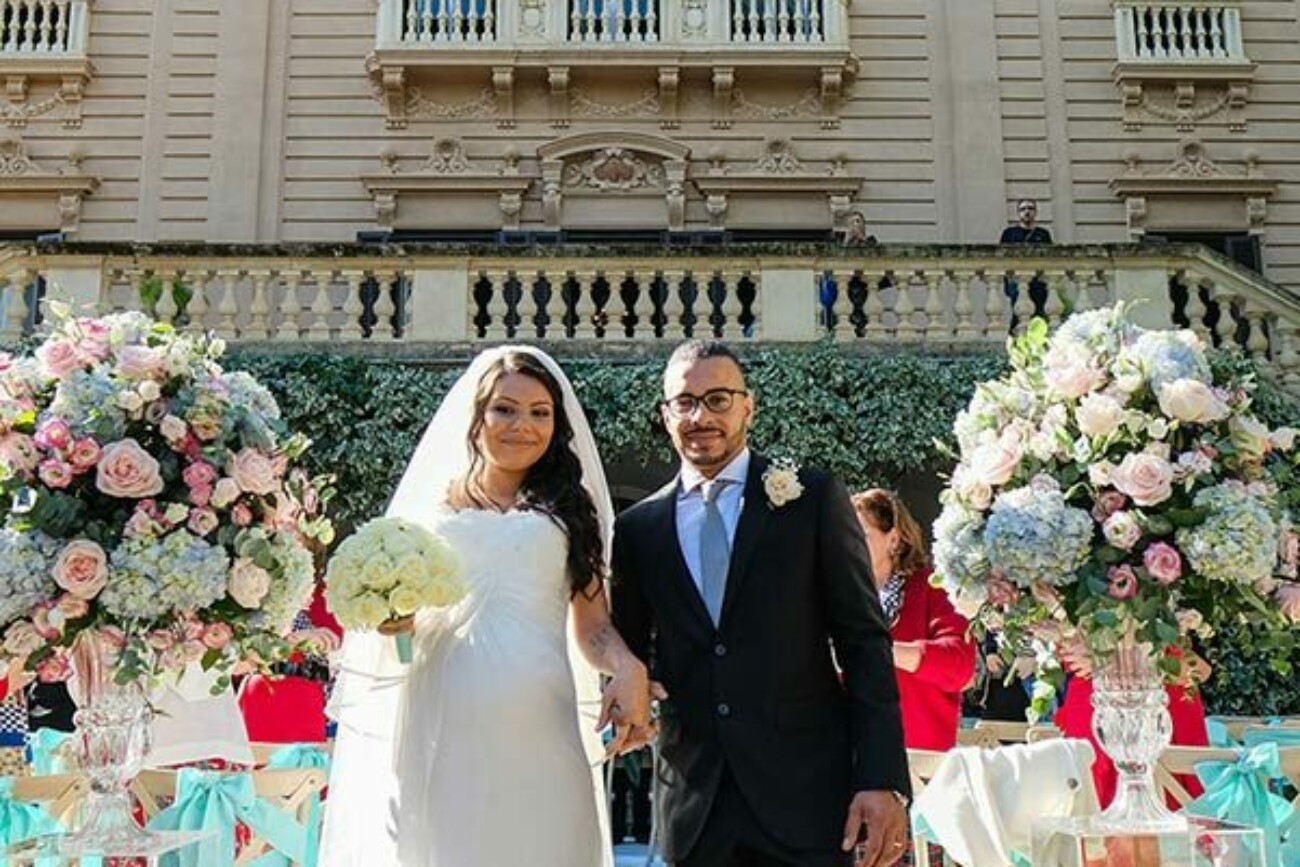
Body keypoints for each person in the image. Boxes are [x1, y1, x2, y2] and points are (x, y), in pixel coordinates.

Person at [320, 347, 653, 867]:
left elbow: (593, 629)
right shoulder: (428, 511)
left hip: (541, 725)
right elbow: (404, 633)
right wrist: (393, 622)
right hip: (443, 723)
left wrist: (628, 666)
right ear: (476, 416)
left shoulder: (572, 513)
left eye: (540, 412)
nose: (523, 425)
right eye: (505, 409)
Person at [611, 340, 910, 867]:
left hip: (806, 798)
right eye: (685, 402)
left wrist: (881, 778)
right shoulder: (639, 529)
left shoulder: (812, 498)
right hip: (695, 804)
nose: (701, 416)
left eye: (718, 399)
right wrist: (634, 691)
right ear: (665, 415)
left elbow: (863, 641)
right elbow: (631, 649)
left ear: (748, 407)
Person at [852, 489, 975, 751]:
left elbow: (960, 666)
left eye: (860, 535)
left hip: (917, 757)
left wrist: (883, 651)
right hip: (847, 754)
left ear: (894, 540)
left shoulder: (933, 587)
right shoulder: (836, 594)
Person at [1054, 641, 1210, 807]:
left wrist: (1111, 660)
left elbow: (1201, 670)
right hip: (1095, 707)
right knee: (1093, 799)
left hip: (1163, 712)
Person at [999, 198, 1053, 328]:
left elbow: (1050, 258)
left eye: (1030, 208)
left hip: (1038, 281)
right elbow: (1002, 258)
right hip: (1016, 281)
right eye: (1023, 209)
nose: (1027, 212)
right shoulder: (1009, 234)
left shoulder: (1043, 234)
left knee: (1038, 313)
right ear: (1018, 213)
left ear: (1036, 212)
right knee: (1019, 312)